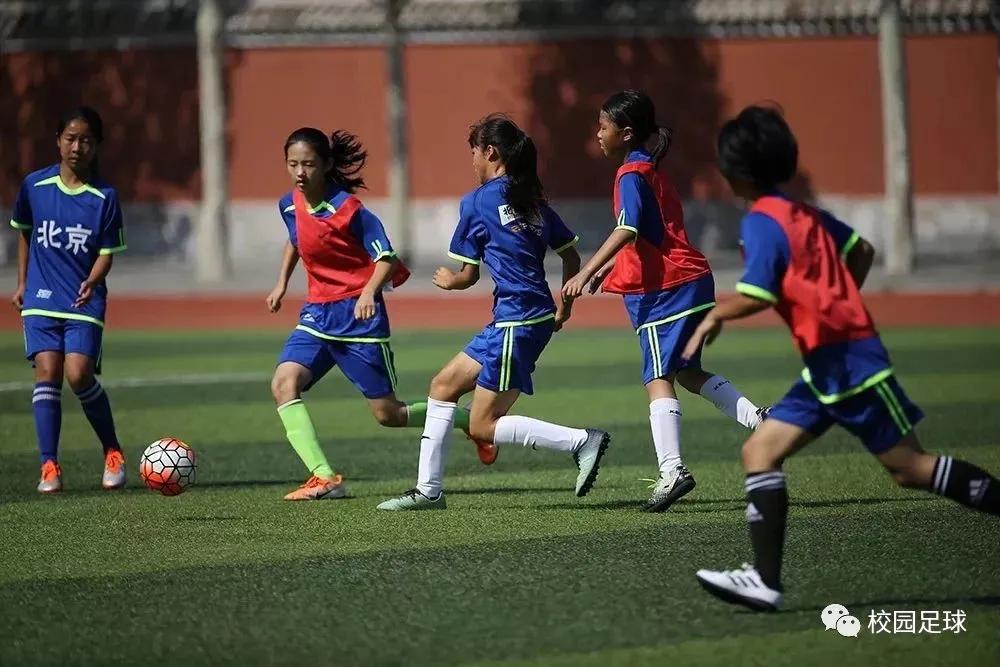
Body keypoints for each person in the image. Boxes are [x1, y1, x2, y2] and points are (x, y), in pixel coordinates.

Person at [688, 105, 1000, 611]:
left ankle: (765, 579)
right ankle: (764, 582)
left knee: (910, 467)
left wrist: (717, 315)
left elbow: (760, 292)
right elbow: (864, 251)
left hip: (852, 365)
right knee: (759, 453)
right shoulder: (804, 211)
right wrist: (836, 297)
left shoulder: (763, 222)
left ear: (735, 173)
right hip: (827, 367)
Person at [377, 114, 610, 511]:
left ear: (490, 152)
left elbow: (467, 276)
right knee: (443, 386)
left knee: (484, 425)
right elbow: (572, 257)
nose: (471, 160)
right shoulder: (533, 201)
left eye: (473, 151)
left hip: (516, 321)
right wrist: (564, 307)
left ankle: (582, 441)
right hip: (522, 318)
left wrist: (449, 280)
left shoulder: (478, 201)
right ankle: (428, 491)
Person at [563, 90, 767, 512]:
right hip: (689, 281)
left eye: (603, 126)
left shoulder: (629, 175)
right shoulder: (648, 170)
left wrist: (586, 269)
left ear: (627, 133)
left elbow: (628, 230)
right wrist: (607, 270)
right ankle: (759, 420)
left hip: (664, 290)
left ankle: (672, 470)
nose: (597, 134)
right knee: (687, 372)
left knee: (658, 377)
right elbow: (651, 233)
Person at [268, 127, 478, 501]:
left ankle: (468, 421)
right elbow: (295, 239)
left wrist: (368, 292)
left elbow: (386, 258)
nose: (300, 172)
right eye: (292, 164)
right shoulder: (289, 204)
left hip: (359, 321)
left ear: (327, 165)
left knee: (388, 415)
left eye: (308, 164)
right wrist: (282, 283)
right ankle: (324, 477)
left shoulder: (350, 211)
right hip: (317, 315)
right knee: (284, 384)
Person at [9, 106, 128, 493]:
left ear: (97, 145)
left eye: (86, 140)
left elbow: (108, 251)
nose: (78, 147)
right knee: (47, 372)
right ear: (58, 141)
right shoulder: (34, 187)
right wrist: (23, 283)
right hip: (41, 297)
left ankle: (112, 450)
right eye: (71, 138)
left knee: (78, 374)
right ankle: (49, 465)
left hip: (83, 298)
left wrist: (93, 280)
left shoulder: (104, 197)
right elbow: (25, 232)